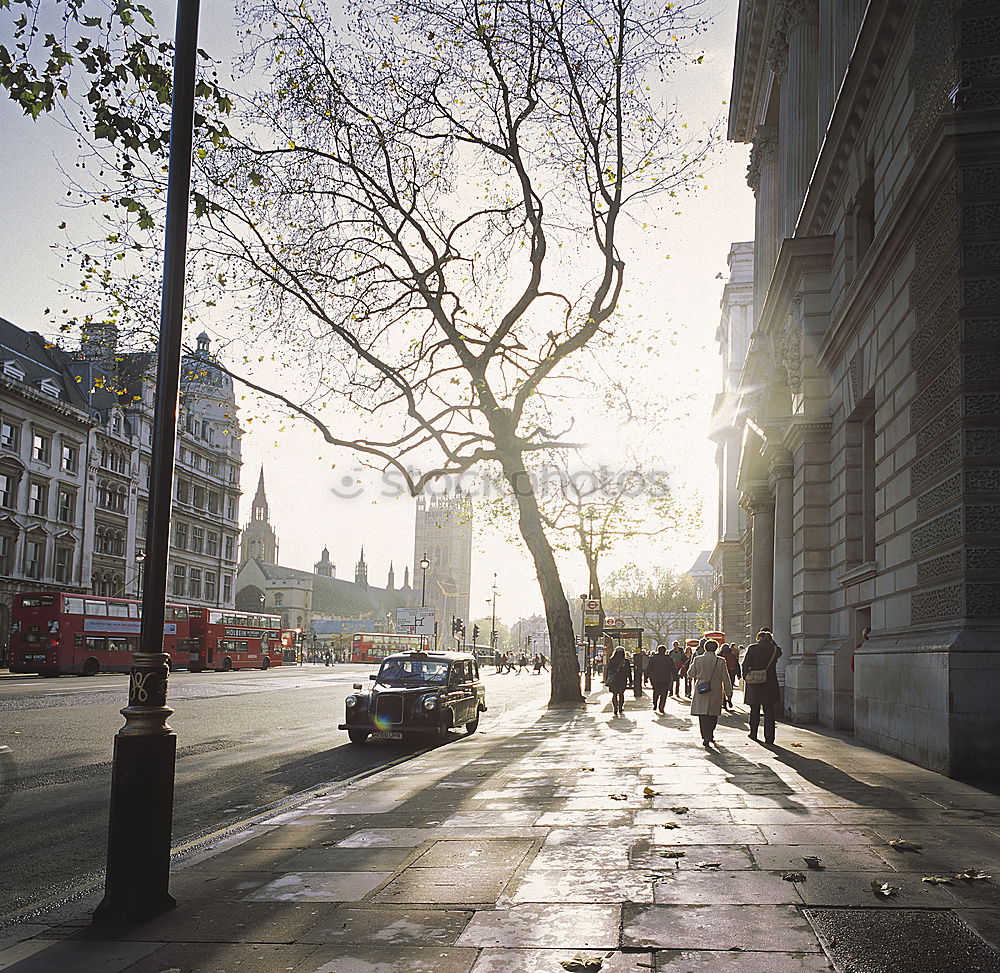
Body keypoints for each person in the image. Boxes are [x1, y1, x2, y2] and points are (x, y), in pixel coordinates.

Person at [687, 638, 732, 747]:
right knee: (713, 714)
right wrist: (728, 693)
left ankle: (705, 736)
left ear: (705, 648)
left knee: (702, 715)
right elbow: (725, 678)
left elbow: (690, 673)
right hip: (715, 690)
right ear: (716, 648)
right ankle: (710, 733)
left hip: (701, 689)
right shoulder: (720, 661)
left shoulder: (698, 659)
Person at [743, 629, 782, 744]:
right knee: (769, 711)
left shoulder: (752, 648)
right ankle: (769, 737)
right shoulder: (775, 649)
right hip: (770, 683)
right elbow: (778, 653)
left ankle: (753, 733)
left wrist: (745, 676)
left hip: (755, 683)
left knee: (754, 709)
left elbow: (745, 664)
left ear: (758, 638)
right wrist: (772, 642)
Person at [645, 644, 673, 715]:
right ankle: (661, 707)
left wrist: (646, 677)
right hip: (665, 678)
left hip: (655, 678)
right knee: (664, 693)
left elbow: (649, 668)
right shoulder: (668, 659)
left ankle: (655, 703)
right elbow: (672, 669)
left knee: (656, 691)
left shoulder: (654, 658)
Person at [605, 647, 630, 716]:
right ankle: (620, 707)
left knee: (614, 694)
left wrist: (606, 679)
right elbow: (629, 672)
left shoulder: (612, 660)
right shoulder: (625, 661)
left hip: (614, 680)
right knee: (621, 694)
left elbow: (608, 670)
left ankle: (615, 708)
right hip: (622, 679)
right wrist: (630, 680)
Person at [719, 643, 741, 710]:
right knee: (730, 687)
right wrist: (738, 674)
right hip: (731, 673)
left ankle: (724, 702)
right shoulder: (733, 655)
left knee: (722, 688)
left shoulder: (719, 656)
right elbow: (737, 665)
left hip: (721, 673)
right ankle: (729, 699)